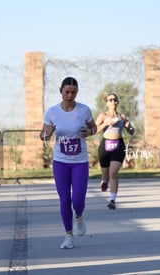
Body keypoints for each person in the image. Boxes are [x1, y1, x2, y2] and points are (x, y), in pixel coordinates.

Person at [39, 77, 97, 249]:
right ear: (61, 91)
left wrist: (90, 131)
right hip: (60, 161)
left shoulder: (84, 110)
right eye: (67, 92)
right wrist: (47, 133)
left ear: (77, 92)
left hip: (80, 161)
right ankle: (68, 236)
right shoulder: (52, 112)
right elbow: (42, 136)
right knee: (65, 199)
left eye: (73, 92)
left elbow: (94, 127)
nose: (70, 95)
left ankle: (79, 216)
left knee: (78, 200)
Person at [94, 93, 135, 210]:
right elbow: (95, 130)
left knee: (113, 173)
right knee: (105, 174)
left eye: (115, 99)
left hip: (118, 146)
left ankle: (112, 199)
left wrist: (129, 126)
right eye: (110, 100)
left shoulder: (122, 117)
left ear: (117, 102)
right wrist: (106, 123)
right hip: (105, 146)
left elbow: (131, 131)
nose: (113, 101)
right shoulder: (103, 116)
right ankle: (104, 180)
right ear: (107, 103)